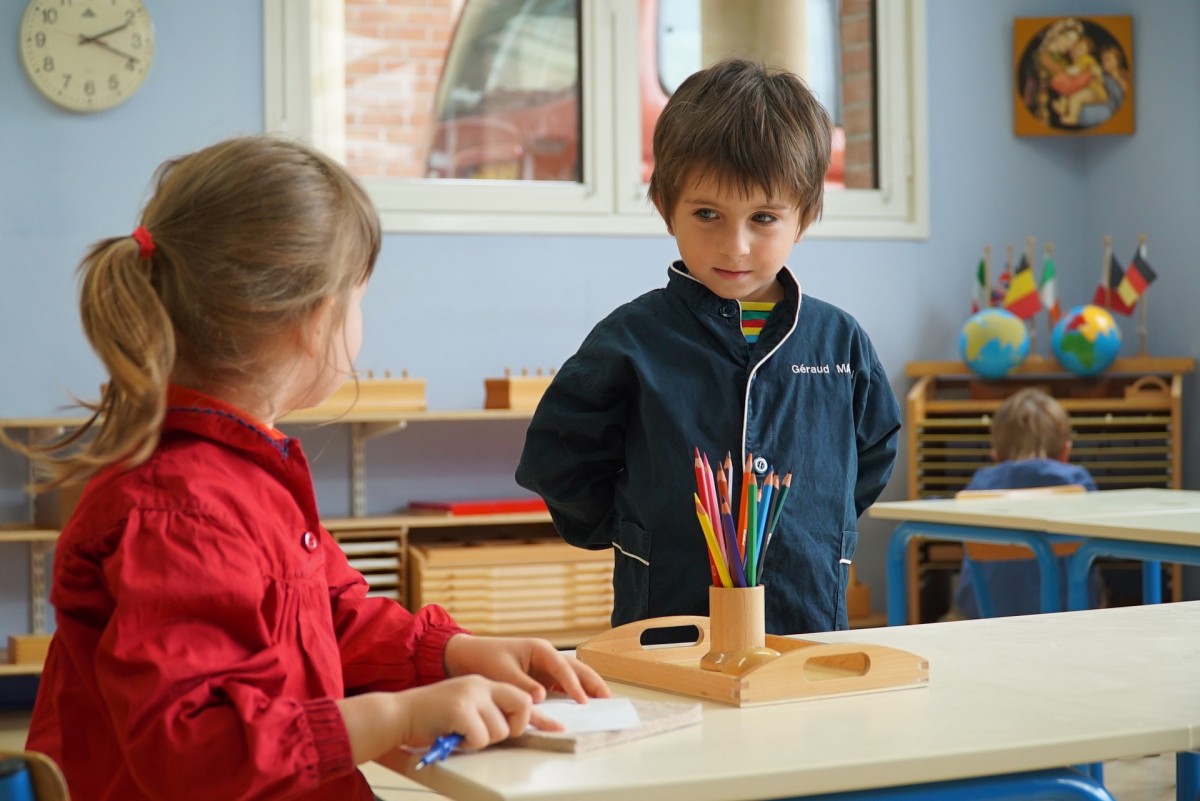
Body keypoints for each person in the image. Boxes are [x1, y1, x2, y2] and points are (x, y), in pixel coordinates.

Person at [7, 136, 609, 801]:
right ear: (316, 319)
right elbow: (194, 750)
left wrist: (452, 651)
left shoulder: (242, 474)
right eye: (358, 299)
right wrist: (395, 715)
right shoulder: (180, 511)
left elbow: (327, 614)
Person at [515, 58, 901, 636]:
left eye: (764, 217)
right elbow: (561, 453)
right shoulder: (632, 339)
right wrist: (628, 527)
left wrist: (826, 527)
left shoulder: (840, 342)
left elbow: (871, 457)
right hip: (667, 620)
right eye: (707, 214)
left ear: (805, 216)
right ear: (666, 207)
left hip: (806, 619)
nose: (736, 245)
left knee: (811, 726)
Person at [952, 387, 1100, 619]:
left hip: (984, 614)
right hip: (1065, 615)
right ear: (1065, 452)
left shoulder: (980, 484)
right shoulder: (1078, 483)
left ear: (996, 456)